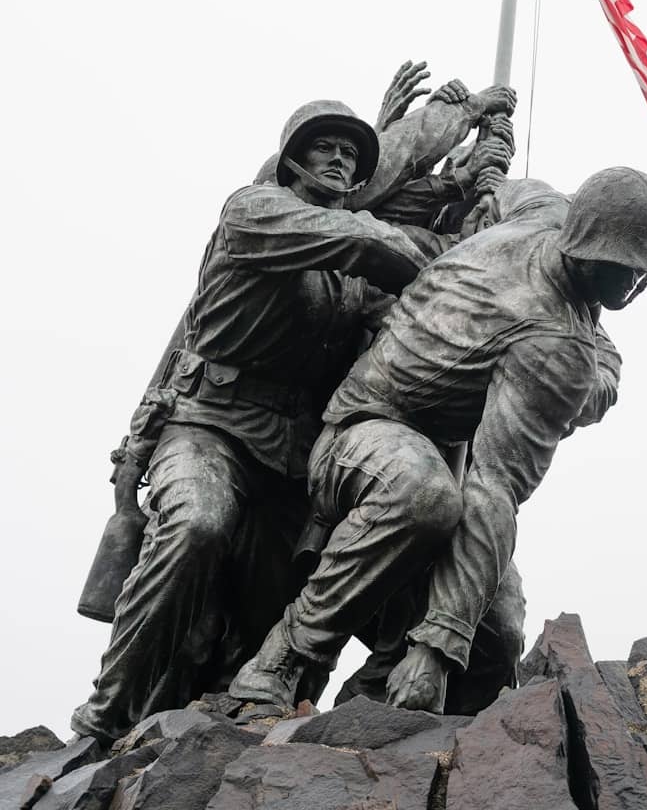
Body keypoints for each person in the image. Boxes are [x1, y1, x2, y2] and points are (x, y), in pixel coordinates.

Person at [72, 83, 515, 744]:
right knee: (197, 523)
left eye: (349, 152)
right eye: (325, 149)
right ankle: (104, 711)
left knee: (266, 623)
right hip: (210, 427)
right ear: (293, 162)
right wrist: (450, 123)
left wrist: (479, 218)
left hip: (288, 460)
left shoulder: (350, 281)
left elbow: (410, 319)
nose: (338, 161)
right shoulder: (256, 212)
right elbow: (365, 239)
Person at [229, 167, 647, 714]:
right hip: (362, 431)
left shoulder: (552, 241)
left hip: (447, 456)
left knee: (498, 632)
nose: (638, 285)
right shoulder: (554, 340)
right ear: (583, 246)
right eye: (627, 268)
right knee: (421, 494)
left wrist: (450, 643)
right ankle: (284, 659)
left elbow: (494, 486)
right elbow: (492, 489)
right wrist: (438, 646)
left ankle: (373, 703)